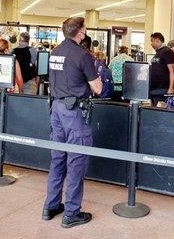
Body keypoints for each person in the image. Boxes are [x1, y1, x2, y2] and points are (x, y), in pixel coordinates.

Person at [43, 17, 102, 228]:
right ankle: (71, 213)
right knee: (76, 162)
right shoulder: (82, 55)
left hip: (56, 110)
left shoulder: (54, 52)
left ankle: (50, 206)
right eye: (84, 29)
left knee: (57, 159)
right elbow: (97, 88)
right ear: (80, 33)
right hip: (75, 112)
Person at [149, 32, 174, 106]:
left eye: (152, 41)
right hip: (154, 88)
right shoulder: (158, 52)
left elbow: (172, 71)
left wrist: (171, 88)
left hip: (162, 88)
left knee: (159, 112)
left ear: (157, 40)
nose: (151, 44)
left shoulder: (167, 51)